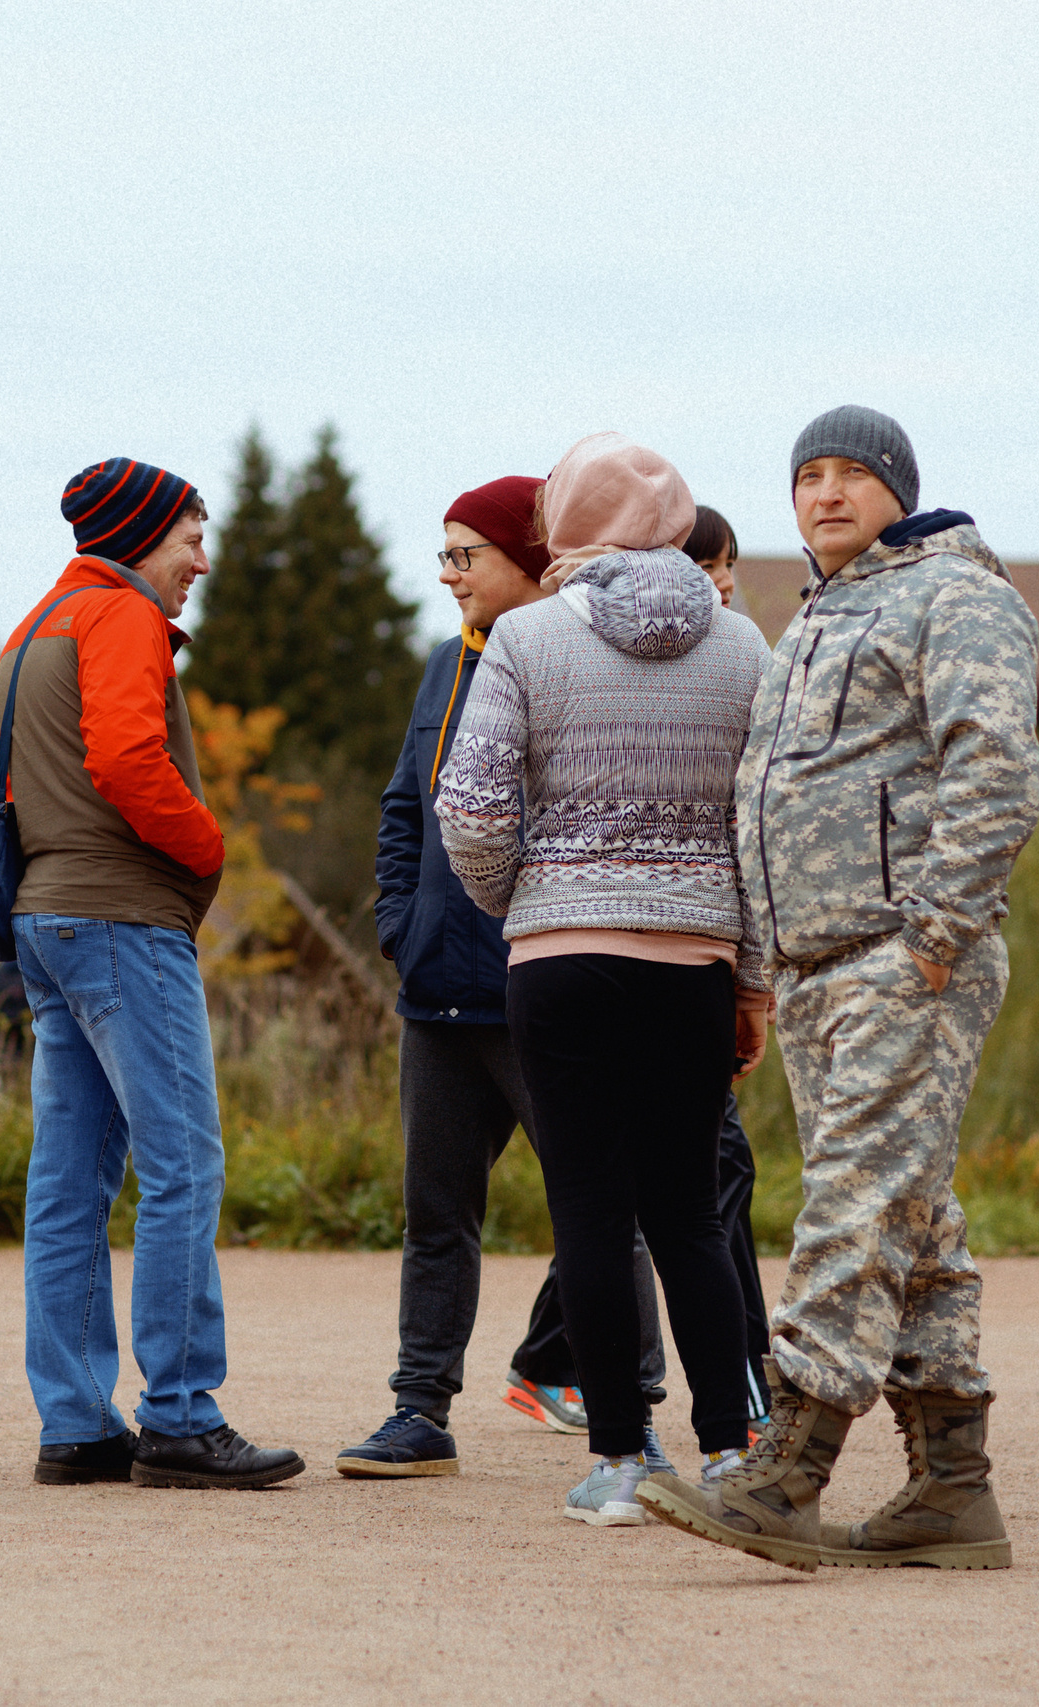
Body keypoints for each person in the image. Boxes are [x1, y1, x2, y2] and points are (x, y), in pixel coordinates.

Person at [642, 406, 1039, 1572]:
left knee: (855, 1202)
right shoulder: (816, 613)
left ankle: (790, 1465)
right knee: (911, 1217)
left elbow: (998, 769)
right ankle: (952, 1490)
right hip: (821, 967)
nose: (824, 492)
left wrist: (933, 937)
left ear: (897, 492)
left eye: (850, 474)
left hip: (901, 956)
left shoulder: (954, 596)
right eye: (806, 475)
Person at [436, 433, 771, 1526]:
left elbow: (473, 808)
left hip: (562, 959)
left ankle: (622, 1462)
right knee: (688, 1212)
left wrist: (518, 902)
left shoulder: (524, 639)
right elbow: (760, 832)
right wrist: (751, 979)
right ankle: (730, 1453)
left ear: (562, 527)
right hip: (692, 963)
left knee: (587, 1207)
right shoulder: (742, 645)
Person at [334, 475, 670, 1480]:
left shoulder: (581, 661)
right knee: (437, 1217)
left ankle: (632, 1406)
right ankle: (417, 1410)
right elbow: (405, 811)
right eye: (442, 555)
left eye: (463, 555)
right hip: (437, 992)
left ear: (527, 561)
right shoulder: (446, 664)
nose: (445, 575)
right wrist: (402, 925)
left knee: (601, 1208)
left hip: (546, 984)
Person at [9, 457, 301, 1491]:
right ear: (140, 536)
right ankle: (179, 1413)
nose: (201, 559)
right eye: (190, 537)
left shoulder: (35, 624)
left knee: (68, 1184)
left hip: (44, 917)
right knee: (183, 1165)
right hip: (122, 918)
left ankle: (76, 1421)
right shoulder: (121, 617)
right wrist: (208, 844)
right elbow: (130, 762)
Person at [683, 504, 774, 1429]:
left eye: (730, 562)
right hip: (693, 954)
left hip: (712, 954)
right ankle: (745, 1386)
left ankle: (553, 1353)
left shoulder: (741, 650)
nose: (723, 579)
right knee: (711, 1173)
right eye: (706, 562)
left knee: (699, 1173)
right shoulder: (736, 651)